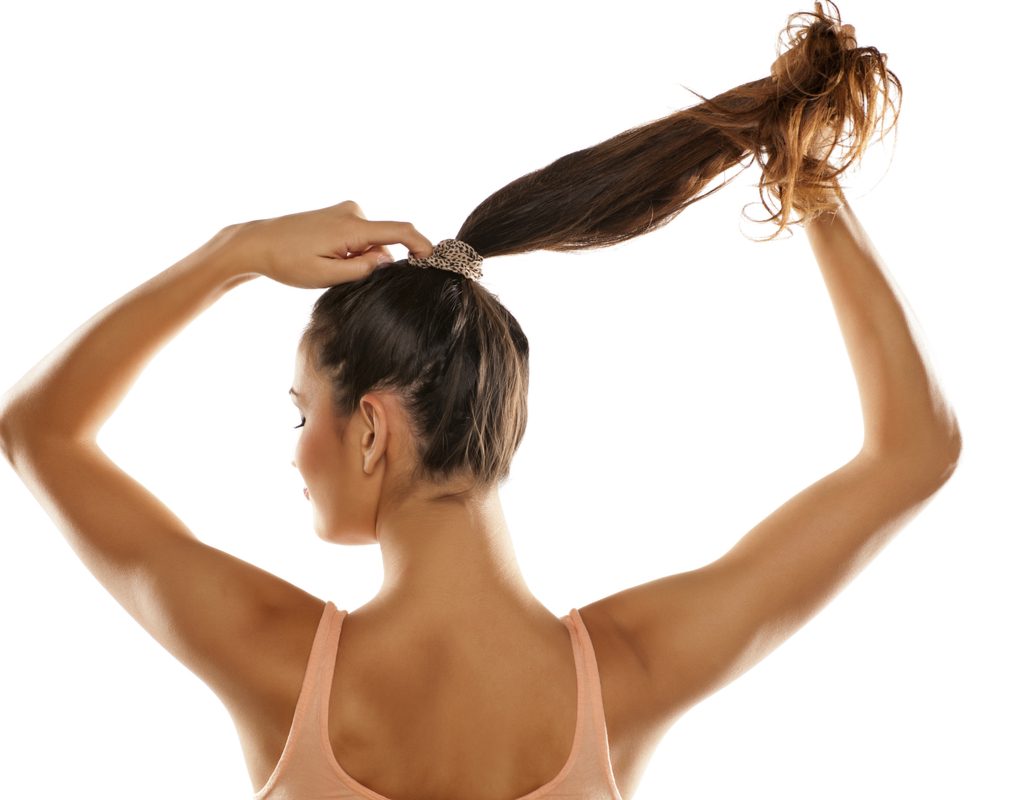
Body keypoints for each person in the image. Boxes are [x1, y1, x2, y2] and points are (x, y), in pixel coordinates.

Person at [0, 2, 961, 798]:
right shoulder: (628, 675)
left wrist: (237, 251)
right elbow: (915, 452)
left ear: (370, 429)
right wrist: (802, 170)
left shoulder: (276, 665)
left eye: (303, 414)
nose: (295, 453)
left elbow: (39, 431)